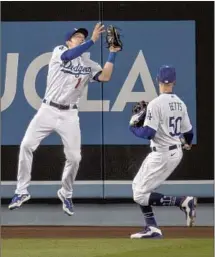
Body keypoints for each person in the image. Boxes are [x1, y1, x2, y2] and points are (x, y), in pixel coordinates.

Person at [8, 22, 121, 216]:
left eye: (83, 37)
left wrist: (113, 52)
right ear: (68, 41)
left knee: (75, 157)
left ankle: (66, 192)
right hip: (48, 109)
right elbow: (69, 56)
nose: (81, 38)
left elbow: (105, 77)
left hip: (69, 114)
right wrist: (93, 40)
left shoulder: (88, 63)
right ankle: (21, 191)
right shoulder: (59, 51)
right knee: (26, 145)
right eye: (77, 36)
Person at [129, 65, 197, 239]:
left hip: (162, 154)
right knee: (138, 187)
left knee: (139, 194)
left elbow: (148, 133)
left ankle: (182, 202)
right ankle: (152, 227)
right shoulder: (180, 103)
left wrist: (133, 127)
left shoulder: (156, 104)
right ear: (174, 82)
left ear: (157, 80)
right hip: (172, 151)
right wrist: (187, 143)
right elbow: (189, 132)